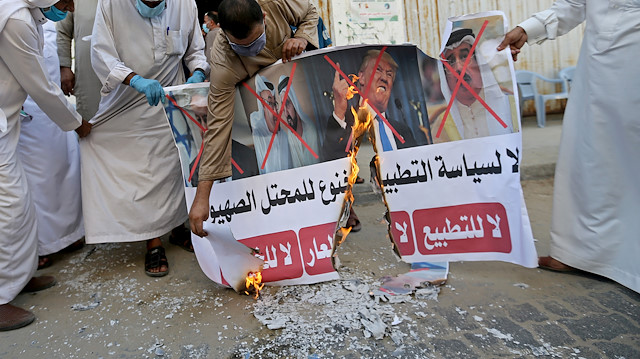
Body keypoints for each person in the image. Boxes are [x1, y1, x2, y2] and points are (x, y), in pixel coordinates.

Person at [498, 0, 640, 293]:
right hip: (600, 70)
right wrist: (528, 29)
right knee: (588, 158)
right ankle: (580, 254)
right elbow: (576, 4)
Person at [85, 0, 210, 276]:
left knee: (175, 168)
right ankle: (152, 240)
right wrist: (135, 80)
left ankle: (178, 228)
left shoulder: (185, 4)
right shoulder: (110, 5)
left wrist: (198, 71)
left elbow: (195, 50)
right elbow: (102, 53)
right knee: (143, 172)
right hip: (128, 101)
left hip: (169, 100)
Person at [189, 0, 318, 237]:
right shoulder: (223, 59)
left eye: (256, 41)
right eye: (242, 47)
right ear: (223, 34)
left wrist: (302, 37)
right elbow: (218, 126)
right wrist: (201, 197)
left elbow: (310, 12)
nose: (253, 50)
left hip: (292, 74)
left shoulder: (276, 3)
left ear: (265, 17)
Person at [0, 0, 91, 331]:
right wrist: (77, 122)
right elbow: (40, 85)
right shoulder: (15, 20)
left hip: (7, 123)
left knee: (21, 206)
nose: (67, 6)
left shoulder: (29, 15)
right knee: (9, 208)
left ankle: (16, 279)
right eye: (64, 0)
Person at [18, 20, 85, 270]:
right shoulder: (12, 17)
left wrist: (64, 66)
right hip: (29, 109)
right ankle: (40, 246)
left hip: (55, 105)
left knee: (65, 168)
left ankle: (68, 235)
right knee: (37, 179)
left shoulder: (44, 19)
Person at [325, 49, 417, 159]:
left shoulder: (404, 131)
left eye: (389, 74)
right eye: (378, 70)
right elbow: (331, 161)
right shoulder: (344, 123)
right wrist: (339, 111)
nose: (384, 78)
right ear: (362, 77)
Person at [433, 28, 516, 143]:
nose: (459, 67)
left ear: (479, 65)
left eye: (464, 56)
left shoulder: (511, 106)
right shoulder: (442, 125)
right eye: (451, 61)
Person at [56, 0, 101, 120]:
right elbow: (63, 33)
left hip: (126, 73)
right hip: (89, 74)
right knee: (91, 120)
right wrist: (64, 67)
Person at [250, 75, 291, 174]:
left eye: (275, 103)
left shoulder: (284, 136)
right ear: (262, 106)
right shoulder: (258, 136)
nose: (275, 110)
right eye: (270, 104)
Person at [277, 74, 320, 168]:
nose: (286, 113)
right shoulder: (290, 136)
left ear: (295, 104)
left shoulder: (310, 129)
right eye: (283, 109)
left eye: (287, 104)